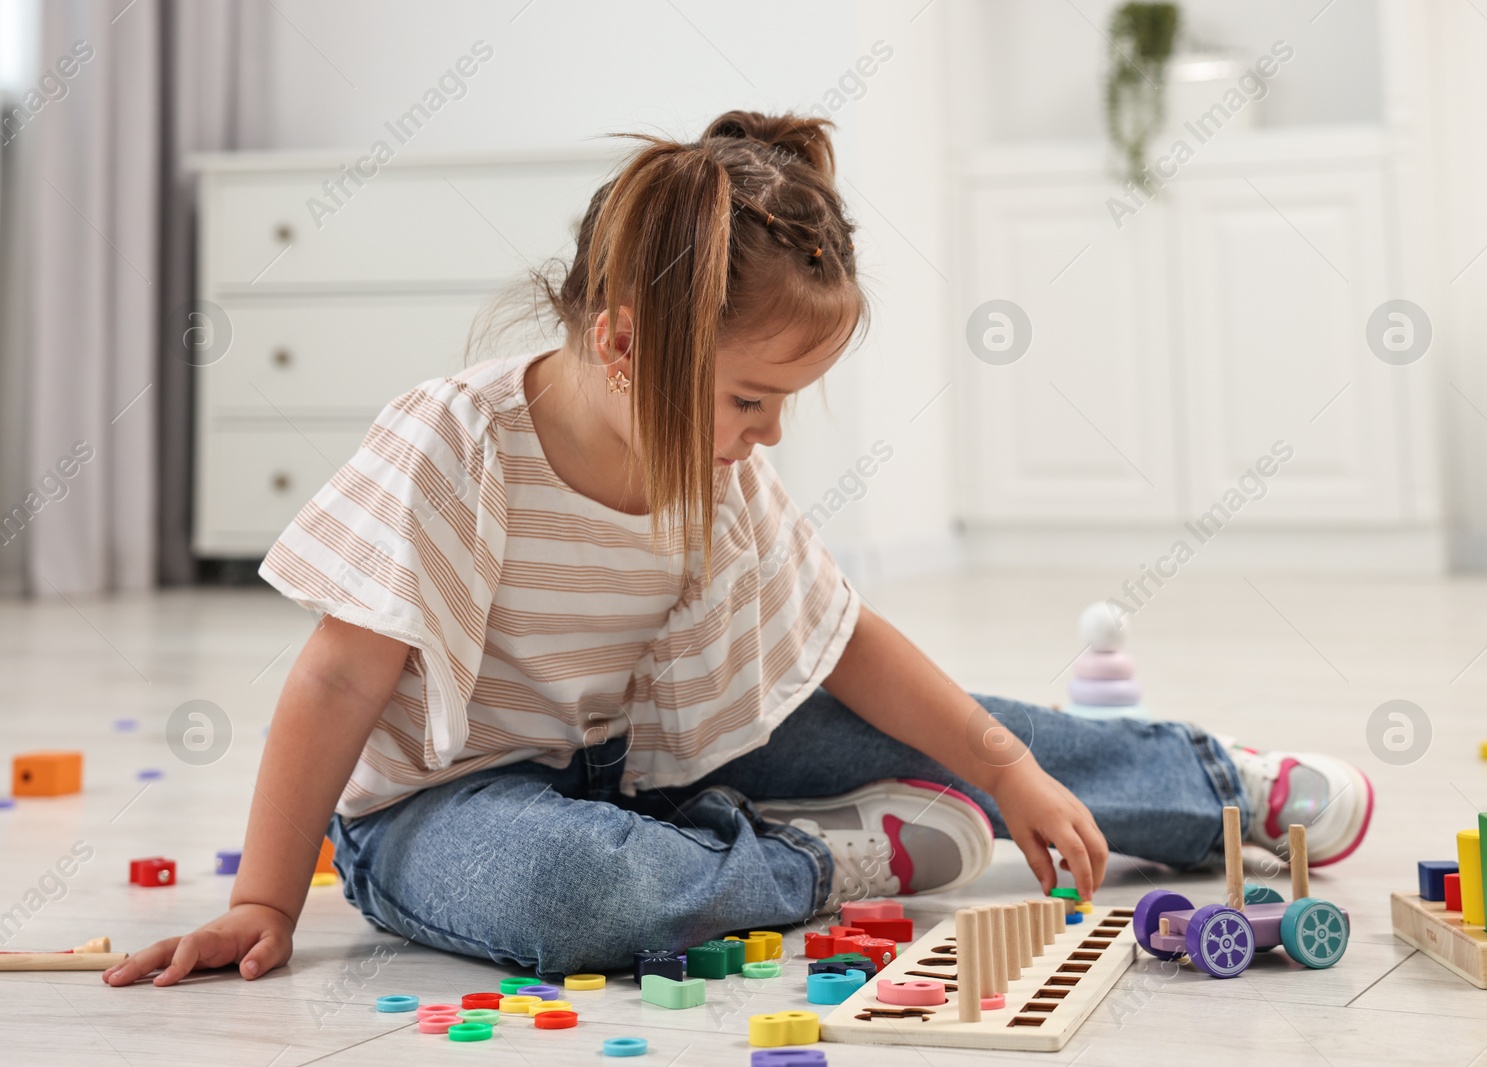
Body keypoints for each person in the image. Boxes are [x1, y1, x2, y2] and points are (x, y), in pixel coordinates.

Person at [104, 110, 1370, 987]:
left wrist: (1003, 765)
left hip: (659, 748)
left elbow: (842, 639)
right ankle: (834, 856)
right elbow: (336, 679)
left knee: (929, 725)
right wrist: (267, 899)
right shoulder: (459, 442)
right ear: (621, 346)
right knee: (571, 899)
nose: (764, 437)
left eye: (781, 406)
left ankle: (1208, 787)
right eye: (750, 398)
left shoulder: (716, 467)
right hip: (451, 799)